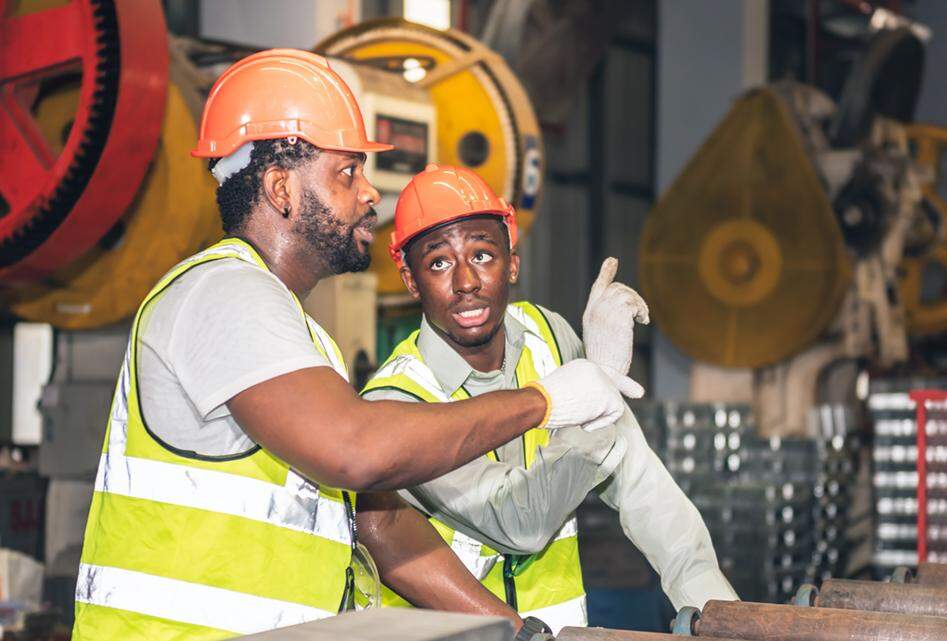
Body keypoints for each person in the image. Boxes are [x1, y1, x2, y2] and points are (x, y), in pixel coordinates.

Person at [71, 49, 639, 641]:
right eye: (348, 173)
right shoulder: (224, 291)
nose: (371, 194)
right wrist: (543, 402)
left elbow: (383, 525)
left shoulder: (303, 334)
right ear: (280, 188)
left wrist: (518, 632)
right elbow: (356, 448)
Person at [361, 164, 739, 632]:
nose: (465, 282)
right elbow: (519, 524)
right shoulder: (400, 400)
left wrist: (720, 610)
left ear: (513, 261)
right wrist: (596, 385)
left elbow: (640, 481)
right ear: (411, 280)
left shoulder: (549, 338)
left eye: (482, 255)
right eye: (438, 263)